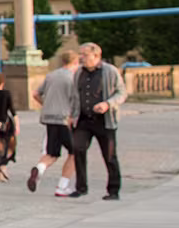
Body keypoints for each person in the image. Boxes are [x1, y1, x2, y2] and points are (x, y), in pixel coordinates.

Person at [70, 41, 127, 200]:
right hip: (83, 120)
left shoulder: (109, 71)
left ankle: (113, 190)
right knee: (78, 149)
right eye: (80, 55)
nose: (82, 58)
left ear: (96, 55)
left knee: (109, 155)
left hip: (104, 121)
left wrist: (108, 104)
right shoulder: (78, 73)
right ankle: (81, 187)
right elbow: (74, 96)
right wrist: (72, 114)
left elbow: (121, 93)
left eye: (85, 55)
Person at [28, 52, 79, 196]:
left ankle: (39, 168)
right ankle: (62, 186)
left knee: (52, 152)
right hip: (64, 118)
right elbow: (76, 100)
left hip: (49, 118)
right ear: (75, 62)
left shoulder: (51, 75)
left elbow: (36, 94)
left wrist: (46, 105)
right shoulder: (73, 78)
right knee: (75, 152)